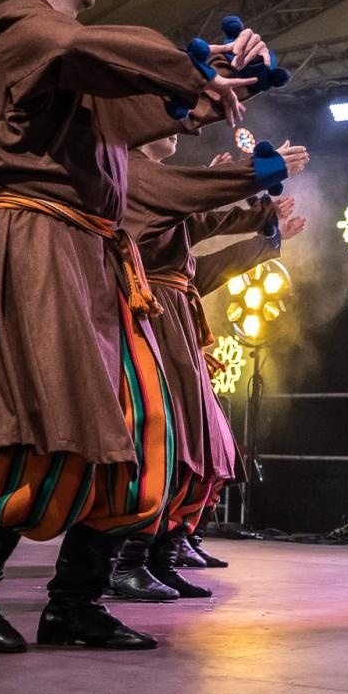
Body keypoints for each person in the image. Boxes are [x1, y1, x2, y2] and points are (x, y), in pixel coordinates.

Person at [0, 0, 260, 653]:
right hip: (38, 237)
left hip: (90, 254)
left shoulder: (74, 71)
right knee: (58, 423)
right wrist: (187, 65)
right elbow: (101, 57)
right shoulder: (18, 26)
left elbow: (149, 109)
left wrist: (214, 80)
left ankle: (74, 602)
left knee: (142, 435)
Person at [107, 136, 307, 600]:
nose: (178, 127)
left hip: (174, 316)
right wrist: (237, 191)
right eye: (165, 116)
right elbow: (194, 215)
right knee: (162, 439)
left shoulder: (156, 185)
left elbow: (198, 255)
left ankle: (160, 556)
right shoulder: (133, 173)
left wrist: (254, 218)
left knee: (198, 443)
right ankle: (126, 560)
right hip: (150, 316)